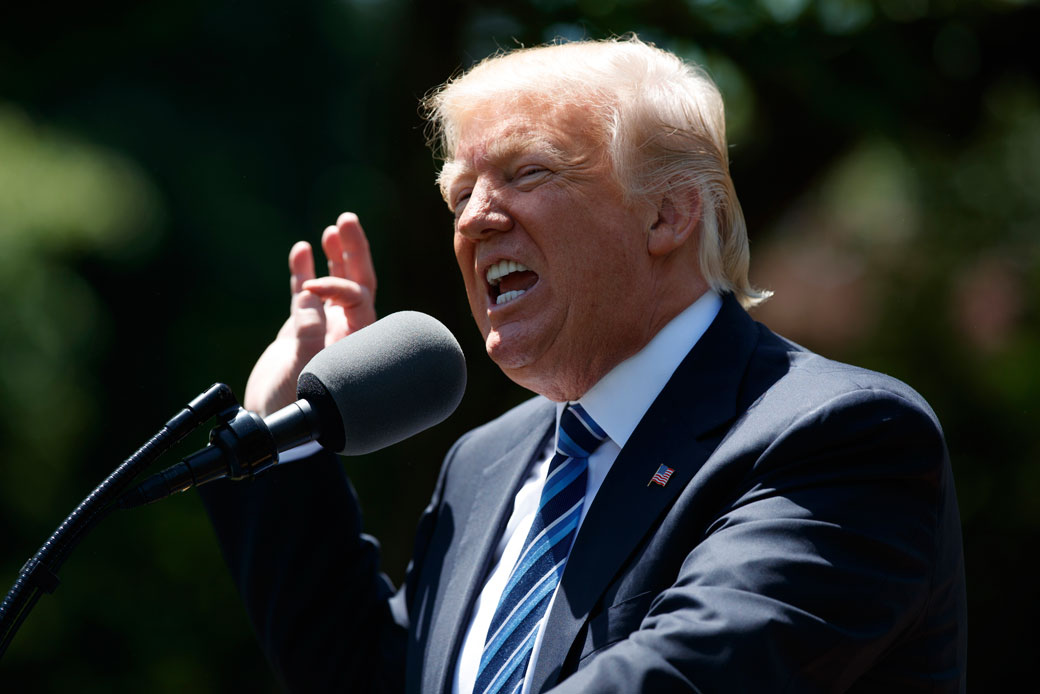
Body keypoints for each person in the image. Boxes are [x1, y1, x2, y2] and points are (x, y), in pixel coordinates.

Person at [201, 37, 967, 693]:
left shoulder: (839, 436)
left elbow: (687, 677)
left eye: (528, 173)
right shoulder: (484, 464)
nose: (474, 218)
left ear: (668, 212)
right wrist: (279, 430)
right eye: (460, 192)